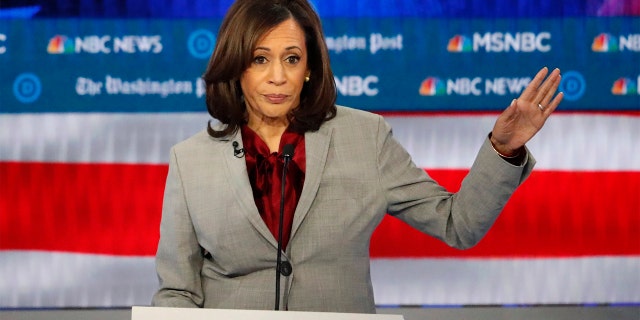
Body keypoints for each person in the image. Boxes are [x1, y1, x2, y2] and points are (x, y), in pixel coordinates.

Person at [151, 0, 563, 313]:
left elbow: (459, 225)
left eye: (291, 59)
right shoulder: (191, 161)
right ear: (237, 66)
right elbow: (178, 291)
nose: (277, 76)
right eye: (260, 59)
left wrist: (503, 148)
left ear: (309, 67)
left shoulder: (365, 137)